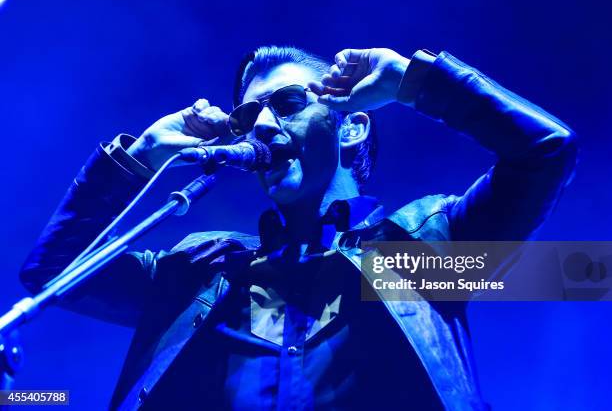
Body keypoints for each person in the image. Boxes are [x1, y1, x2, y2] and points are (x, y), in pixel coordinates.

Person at [20, 46, 577, 410]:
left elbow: (545, 151)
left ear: (353, 126)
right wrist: (141, 157)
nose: (260, 124)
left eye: (286, 102)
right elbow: (51, 271)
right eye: (246, 115)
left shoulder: (424, 249)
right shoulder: (200, 271)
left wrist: (416, 83)